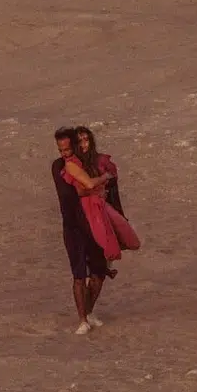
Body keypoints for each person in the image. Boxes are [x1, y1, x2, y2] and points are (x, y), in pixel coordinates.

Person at [51, 128, 108, 335]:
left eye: (67, 149)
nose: (64, 153)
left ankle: (89, 311)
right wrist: (100, 183)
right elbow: (75, 192)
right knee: (78, 275)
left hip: (95, 224)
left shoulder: (88, 164)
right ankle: (82, 319)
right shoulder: (59, 167)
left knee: (99, 273)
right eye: (61, 149)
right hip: (73, 227)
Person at [63, 126, 140, 268]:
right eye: (79, 141)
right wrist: (102, 180)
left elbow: (112, 182)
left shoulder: (100, 160)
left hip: (103, 205)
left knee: (131, 241)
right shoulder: (73, 164)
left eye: (86, 140)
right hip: (88, 209)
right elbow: (81, 190)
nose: (84, 144)